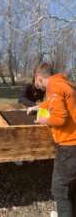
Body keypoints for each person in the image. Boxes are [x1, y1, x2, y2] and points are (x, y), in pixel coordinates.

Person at [28, 62, 76, 217]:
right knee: (70, 185)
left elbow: (59, 119)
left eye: (36, 82)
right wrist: (37, 108)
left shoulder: (53, 87)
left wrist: (43, 120)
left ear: (39, 77)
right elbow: (53, 102)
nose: (36, 86)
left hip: (69, 145)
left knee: (59, 189)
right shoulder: (63, 83)